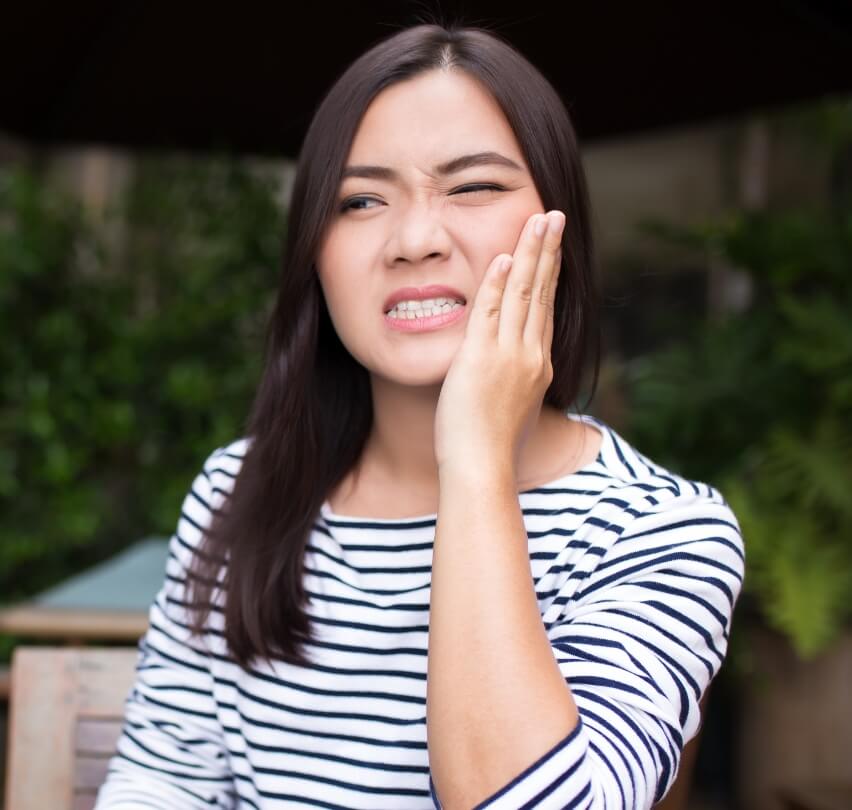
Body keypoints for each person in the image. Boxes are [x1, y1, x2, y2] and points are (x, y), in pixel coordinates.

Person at [95, 20, 745, 810]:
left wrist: (474, 461)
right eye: (361, 199)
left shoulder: (662, 533)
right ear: (314, 252)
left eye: (472, 186)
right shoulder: (240, 491)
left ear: (562, 228)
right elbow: (162, 783)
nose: (412, 239)